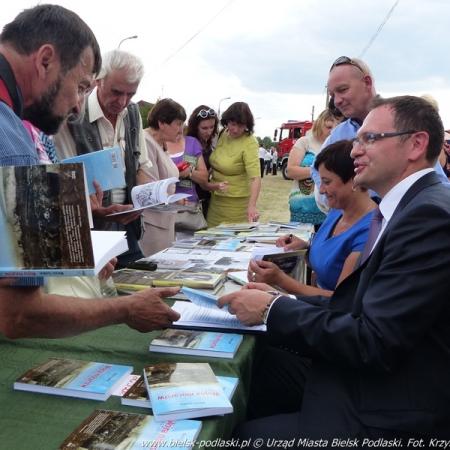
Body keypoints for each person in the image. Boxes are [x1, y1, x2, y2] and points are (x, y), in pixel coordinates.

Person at [220, 95, 450, 443]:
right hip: (372, 380)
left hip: (389, 408)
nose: (355, 150)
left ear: (416, 144)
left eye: (369, 139)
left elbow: (375, 341)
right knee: (259, 363)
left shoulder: (427, 216)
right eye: (357, 140)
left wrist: (272, 308)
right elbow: (356, 306)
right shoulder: (406, 206)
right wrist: (279, 299)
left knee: (242, 435)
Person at [0, 5, 179, 339]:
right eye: (82, 86)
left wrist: (79, 253)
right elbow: (19, 315)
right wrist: (127, 308)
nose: (79, 105)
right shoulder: (12, 142)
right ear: (45, 60)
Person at [54, 49, 152, 267]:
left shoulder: (133, 113)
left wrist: (141, 201)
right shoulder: (73, 114)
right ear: (99, 80)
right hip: (87, 232)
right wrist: (94, 210)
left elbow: (142, 166)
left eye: (131, 94)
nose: (123, 101)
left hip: (127, 227)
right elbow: (60, 180)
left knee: (140, 283)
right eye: (116, 92)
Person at [313, 56, 449, 211]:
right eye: (332, 95)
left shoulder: (400, 123)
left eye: (342, 90)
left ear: (367, 83)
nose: (337, 101)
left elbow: (434, 180)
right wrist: (343, 207)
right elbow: (317, 170)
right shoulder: (338, 134)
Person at [249, 140, 376, 296]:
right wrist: (305, 248)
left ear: (354, 180)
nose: (321, 190)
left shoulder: (369, 231)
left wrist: (280, 280)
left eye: (326, 182)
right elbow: (330, 261)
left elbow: (341, 300)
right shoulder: (337, 211)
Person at [207, 102, 261, 227]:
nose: (235, 129)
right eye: (232, 124)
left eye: (240, 125)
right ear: (226, 121)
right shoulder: (222, 134)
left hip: (237, 205)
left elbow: (255, 178)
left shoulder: (250, 142)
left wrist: (252, 206)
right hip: (216, 201)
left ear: (247, 125)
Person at [287, 109, 335, 225]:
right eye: (328, 127)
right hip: (302, 208)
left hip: (329, 210)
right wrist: (319, 171)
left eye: (335, 128)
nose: (332, 131)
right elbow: (290, 171)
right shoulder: (304, 142)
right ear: (319, 124)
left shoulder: (337, 144)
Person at [186, 105, 228, 218]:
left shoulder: (210, 144)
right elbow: (202, 181)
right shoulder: (189, 144)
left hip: (206, 198)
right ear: (195, 127)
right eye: (204, 128)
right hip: (192, 200)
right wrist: (216, 186)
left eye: (212, 127)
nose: (209, 132)